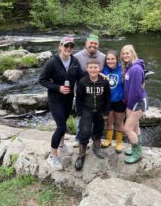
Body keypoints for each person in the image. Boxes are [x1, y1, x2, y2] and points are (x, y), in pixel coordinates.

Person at [39, 36, 82, 170]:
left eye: (71, 46)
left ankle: (62, 145)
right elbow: (42, 80)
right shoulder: (52, 62)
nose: (68, 48)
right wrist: (58, 88)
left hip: (69, 98)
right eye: (66, 46)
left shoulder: (74, 61)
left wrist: (97, 75)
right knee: (61, 127)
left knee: (64, 120)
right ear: (60, 47)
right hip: (55, 99)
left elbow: (81, 75)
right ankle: (52, 156)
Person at [74, 59, 111, 171]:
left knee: (99, 128)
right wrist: (79, 112)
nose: (93, 69)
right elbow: (79, 99)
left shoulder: (104, 82)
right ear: (87, 69)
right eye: (91, 67)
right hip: (86, 110)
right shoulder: (82, 82)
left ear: (99, 69)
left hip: (100, 110)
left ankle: (96, 147)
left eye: (95, 67)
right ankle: (81, 154)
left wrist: (106, 112)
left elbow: (107, 98)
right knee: (85, 131)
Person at [73, 34, 105, 147]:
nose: (93, 45)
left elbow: (106, 72)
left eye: (95, 43)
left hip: (97, 92)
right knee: (81, 115)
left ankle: (94, 139)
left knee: (96, 118)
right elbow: (72, 74)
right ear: (85, 44)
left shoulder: (103, 57)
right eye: (90, 43)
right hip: (82, 91)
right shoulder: (76, 56)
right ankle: (78, 137)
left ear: (98, 45)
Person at [120, 44, 148, 164]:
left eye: (128, 53)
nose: (125, 55)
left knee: (127, 128)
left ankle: (137, 153)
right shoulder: (129, 67)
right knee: (135, 126)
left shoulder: (135, 69)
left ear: (133, 53)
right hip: (133, 102)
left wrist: (130, 107)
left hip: (138, 102)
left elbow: (136, 91)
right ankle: (136, 148)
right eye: (123, 53)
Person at [101, 50, 125, 153]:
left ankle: (119, 142)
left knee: (119, 123)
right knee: (109, 122)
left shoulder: (123, 70)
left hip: (119, 101)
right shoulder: (104, 69)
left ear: (117, 59)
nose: (110, 61)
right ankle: (109, 139)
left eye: (112, 59)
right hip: (108, 101)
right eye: (108, 59)